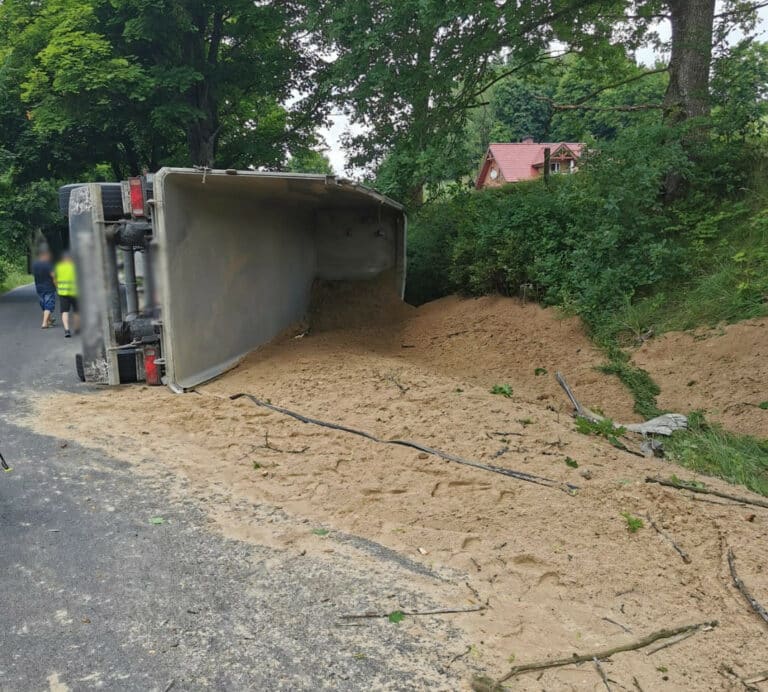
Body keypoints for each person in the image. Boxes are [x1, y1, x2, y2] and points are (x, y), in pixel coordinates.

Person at [53, 252, 79, 338]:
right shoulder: (75, 267)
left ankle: (67, 330)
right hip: (74, 292)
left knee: (64, 311)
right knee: (76, 310)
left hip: (63, 293)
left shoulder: (58, 267)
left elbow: (54, 279)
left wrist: (58, 287)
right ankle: (76, 328)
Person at [31, 248, 56, 328]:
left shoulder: (35, 265)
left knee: (44, 305)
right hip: (49, 287)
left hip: (39, 288)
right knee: (49, 305)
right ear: (45, 255)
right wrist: (57, 285)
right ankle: (44, 323)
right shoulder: (48, 264)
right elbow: (53, 276)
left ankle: (49, 320)